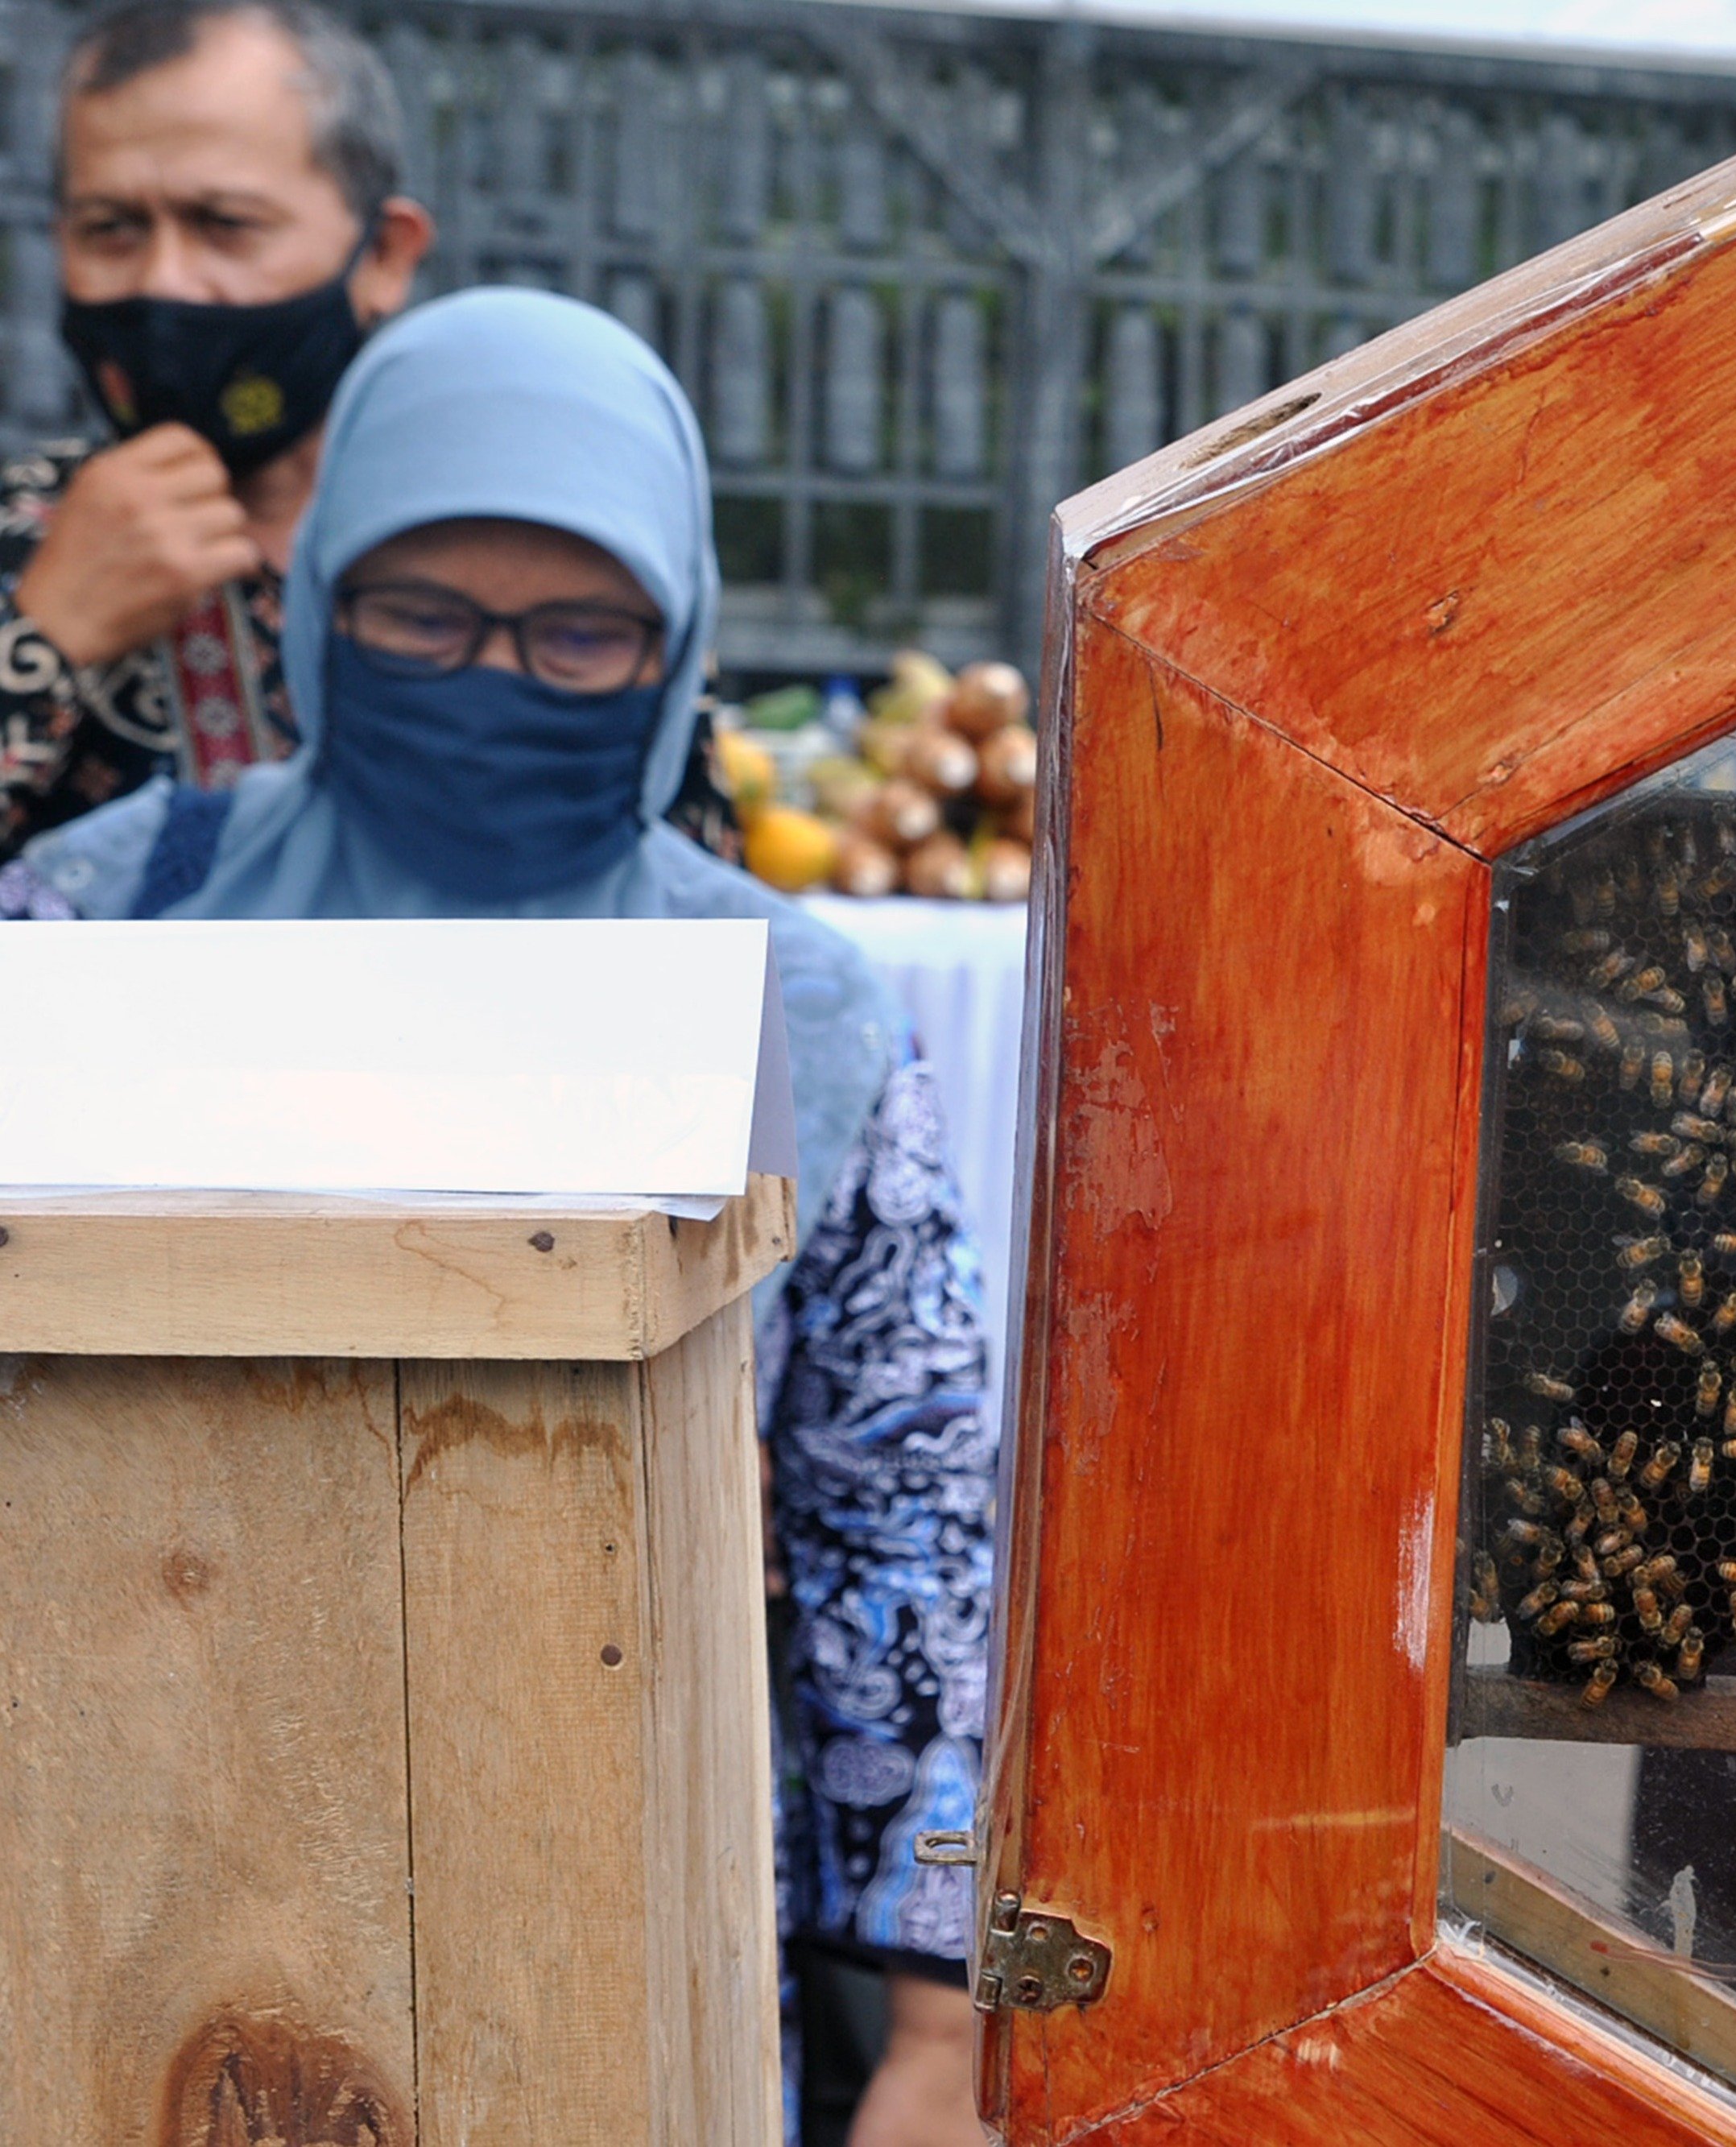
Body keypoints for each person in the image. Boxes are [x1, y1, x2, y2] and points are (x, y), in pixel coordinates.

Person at [5, 288, 998, 2147]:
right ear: (322, 603)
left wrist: (938, 2037)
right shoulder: (101, 922)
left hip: (617, 1907)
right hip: (124, 1908)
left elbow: (903, 1512)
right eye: (422, 616)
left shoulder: (794, 1006)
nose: (494, 680)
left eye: (579, 633)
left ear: (675, 642)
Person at [0, 0, 737, 868]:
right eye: (110, 229)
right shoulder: (22, 533)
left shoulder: (540, 547)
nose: (167, 282)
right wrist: (43, 638)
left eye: (225, 224)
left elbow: (686, 900)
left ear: (385, 254)